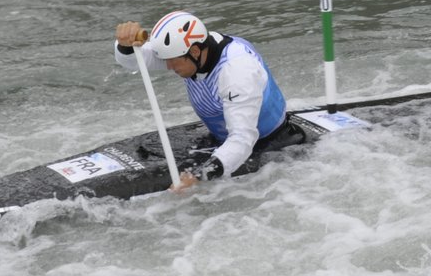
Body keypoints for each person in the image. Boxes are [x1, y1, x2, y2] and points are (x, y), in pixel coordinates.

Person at [113, 10, 302, 189]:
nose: (168, 66)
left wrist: (200, 175)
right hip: (219, 136)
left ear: (195, 52)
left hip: (269, 142)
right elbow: (136, 61)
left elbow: (243, 138)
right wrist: (125, 45)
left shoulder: (237, 72)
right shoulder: (190, 47)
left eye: (172, 60)